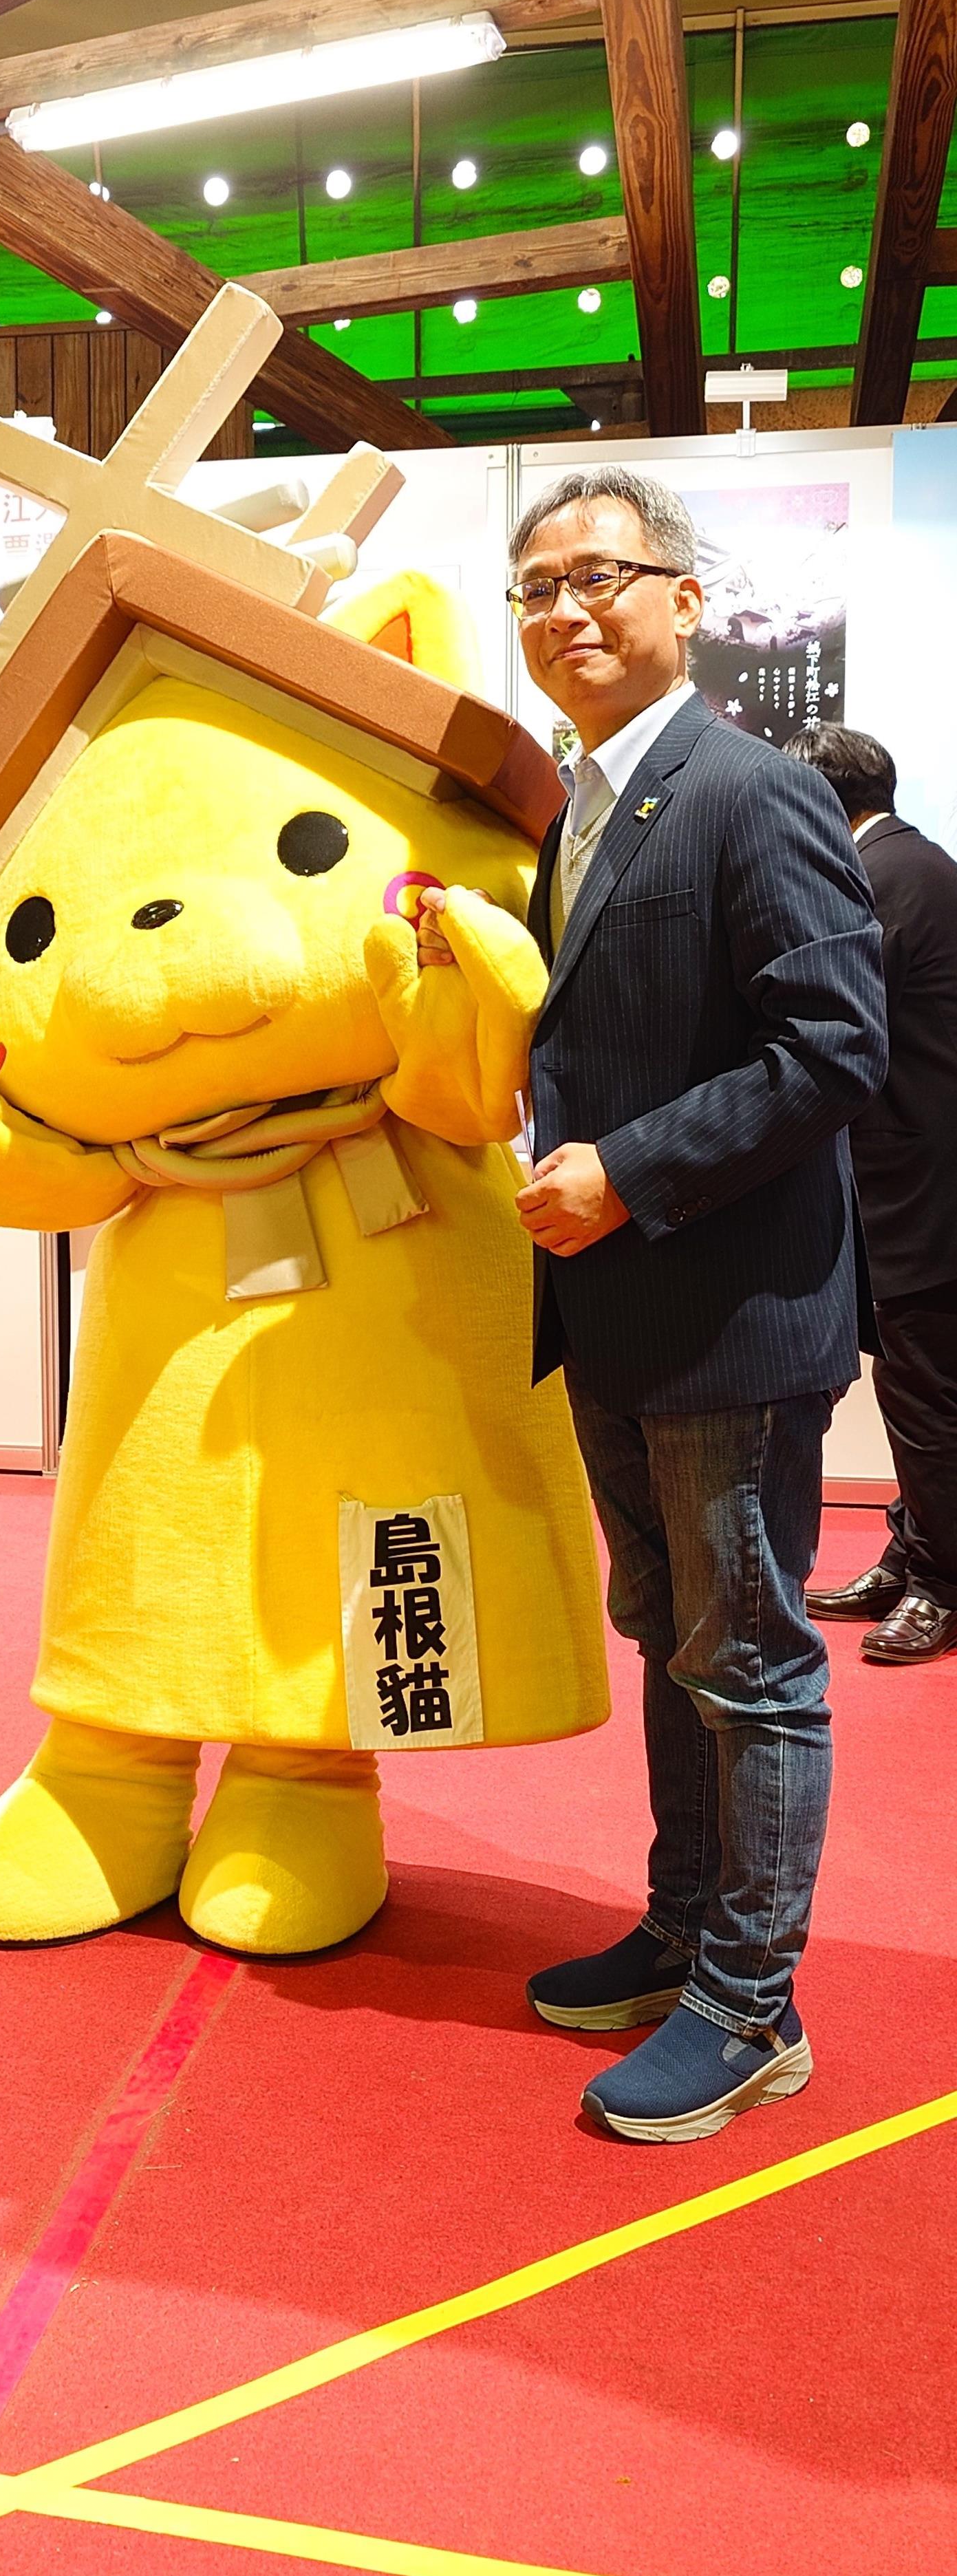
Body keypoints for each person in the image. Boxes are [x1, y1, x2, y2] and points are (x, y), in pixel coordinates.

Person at [501, 466, 886, 2143]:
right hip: (615, 1311)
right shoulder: (578, 811)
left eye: (599, 575)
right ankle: (681, 1923)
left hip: (729, 1310)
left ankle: (751, 1998)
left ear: (684, 597)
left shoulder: (751, 790)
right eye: (537, 587)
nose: (566, 609)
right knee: (671, 1637)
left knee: (752, 1660)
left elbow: (836, 1047)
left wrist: (628, 1168)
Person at [786, 724, 957, 1662]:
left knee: (926, 1393)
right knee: (918, 1387)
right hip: (916, 1181)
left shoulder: (885, 877)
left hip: (918, 1190)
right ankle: (913, 1552)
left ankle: (941, 1583)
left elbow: (835, 1024)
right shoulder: (909, 863)